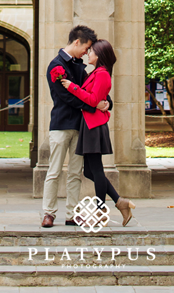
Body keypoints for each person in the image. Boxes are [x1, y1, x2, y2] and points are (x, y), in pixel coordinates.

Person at [41, 25, 111, 228]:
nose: (87, 52)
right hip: (61, 125)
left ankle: (71, 214)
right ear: (77, 42)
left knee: (75, 173)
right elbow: (65, 97)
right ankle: (49, 213)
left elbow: (93, 90)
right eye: (87, 47)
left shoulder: (81, 67)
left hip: (81, 127)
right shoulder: (55, 66)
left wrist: (107, 103)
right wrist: (92, 104)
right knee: (53, 171)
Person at [61, 38, 136, 226]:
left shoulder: (102, 74)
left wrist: (72, 87)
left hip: (94, 125)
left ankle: (101, 210)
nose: (88, 53)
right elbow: (99, 99)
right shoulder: (95, 73)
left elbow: (93, 100)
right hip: (89, 124)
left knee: (96, 169)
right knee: (90, 171)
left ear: (100, 55)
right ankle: (120, 202)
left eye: (91, 51)